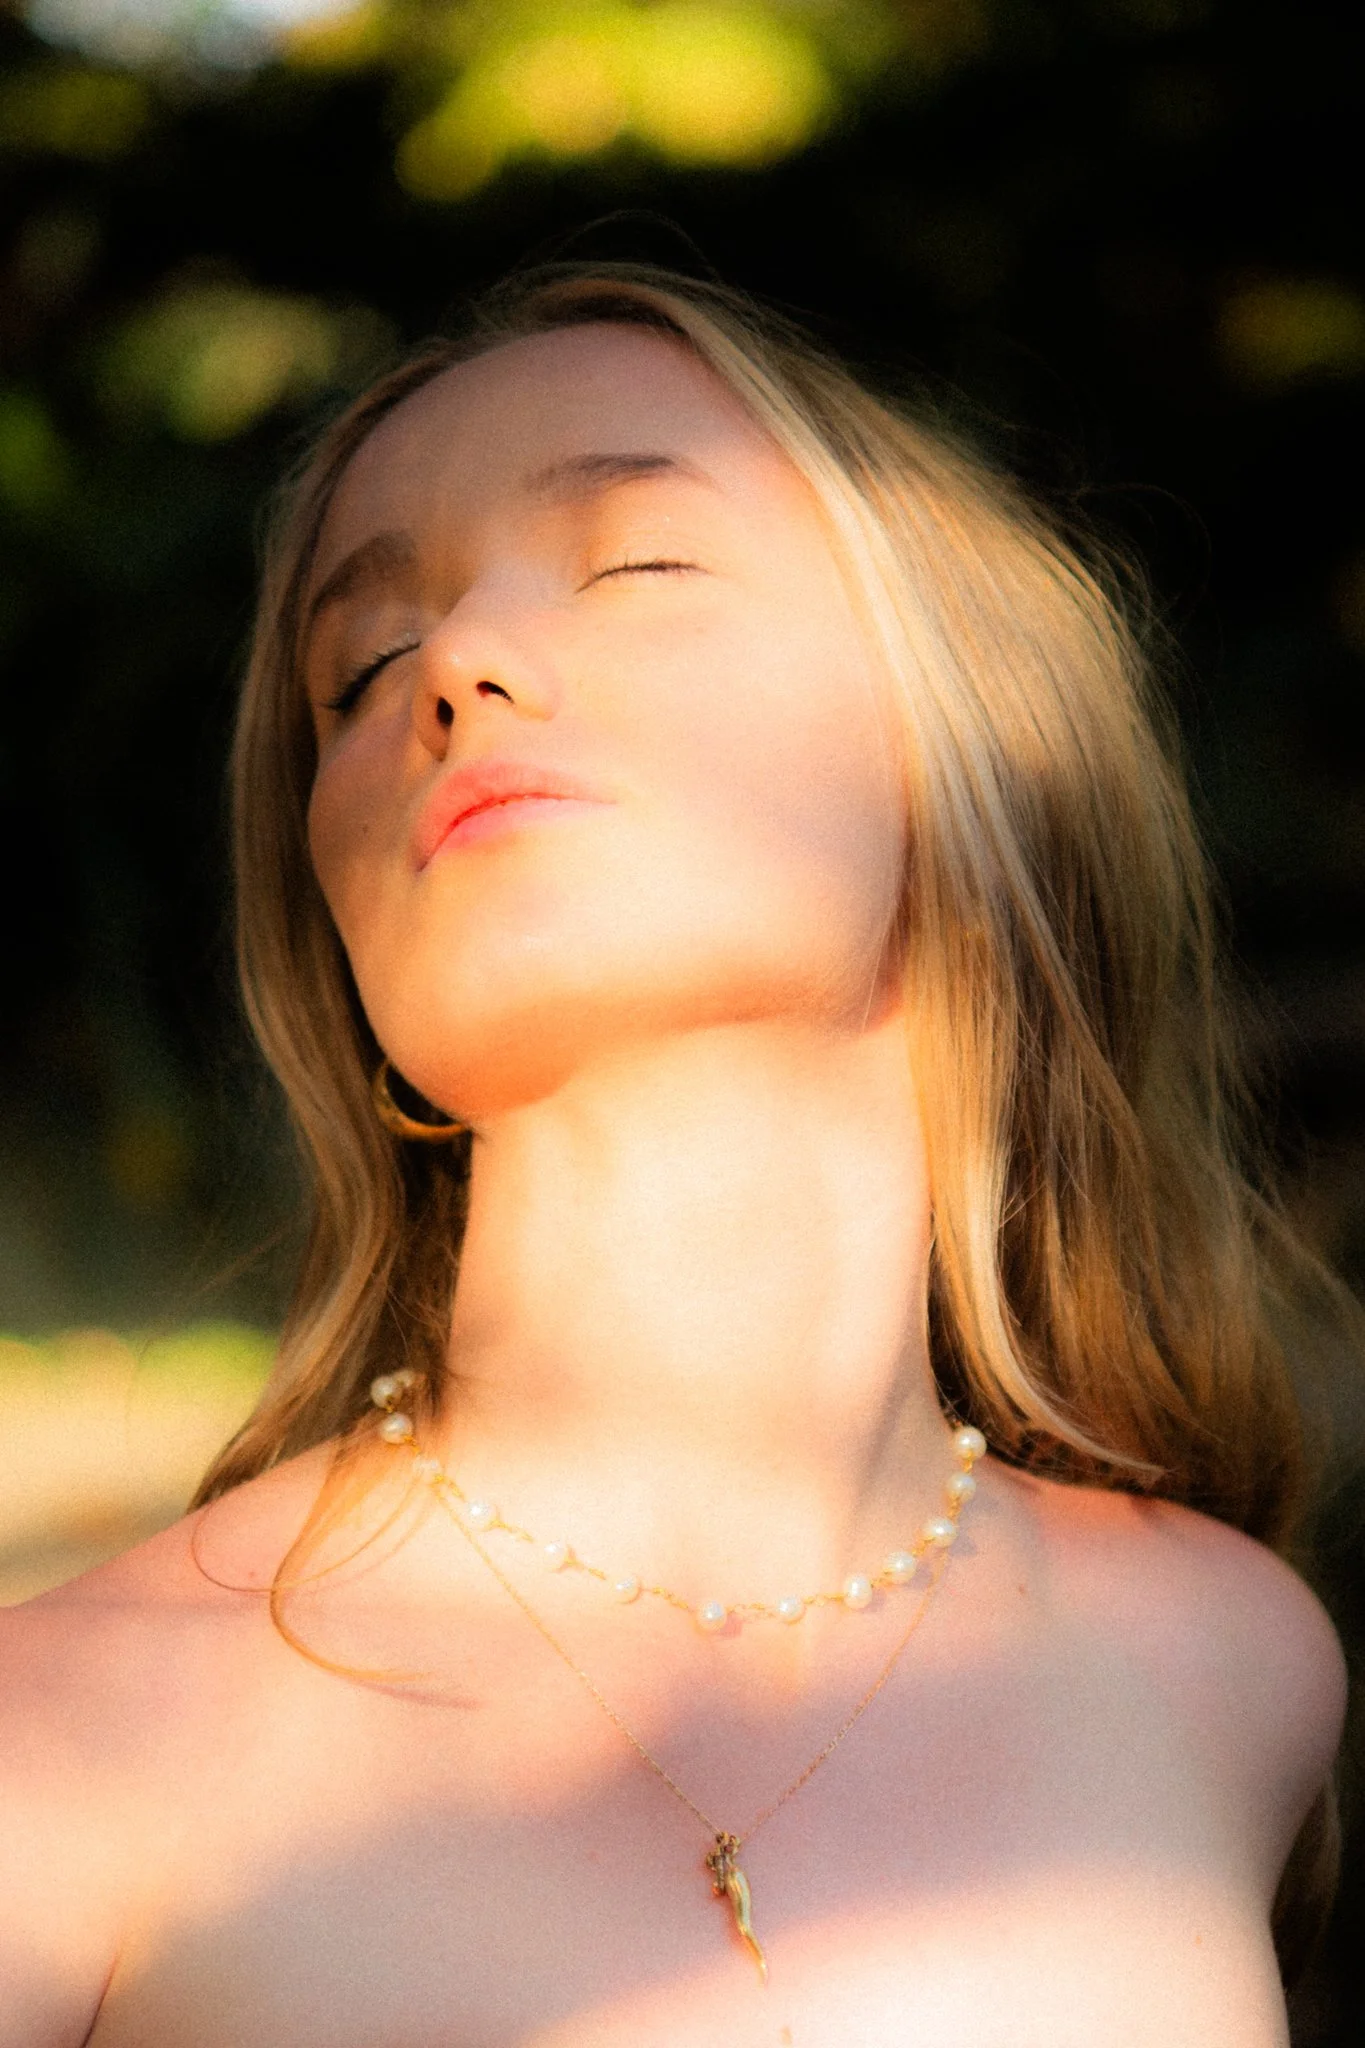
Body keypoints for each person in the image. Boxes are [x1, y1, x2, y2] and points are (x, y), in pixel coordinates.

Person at [0, 262, 1351, 2046]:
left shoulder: (1227, 1672)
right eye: (361, 665)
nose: (456, 667)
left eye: (634, 562)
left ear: (982, 751)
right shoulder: (62, 1763)